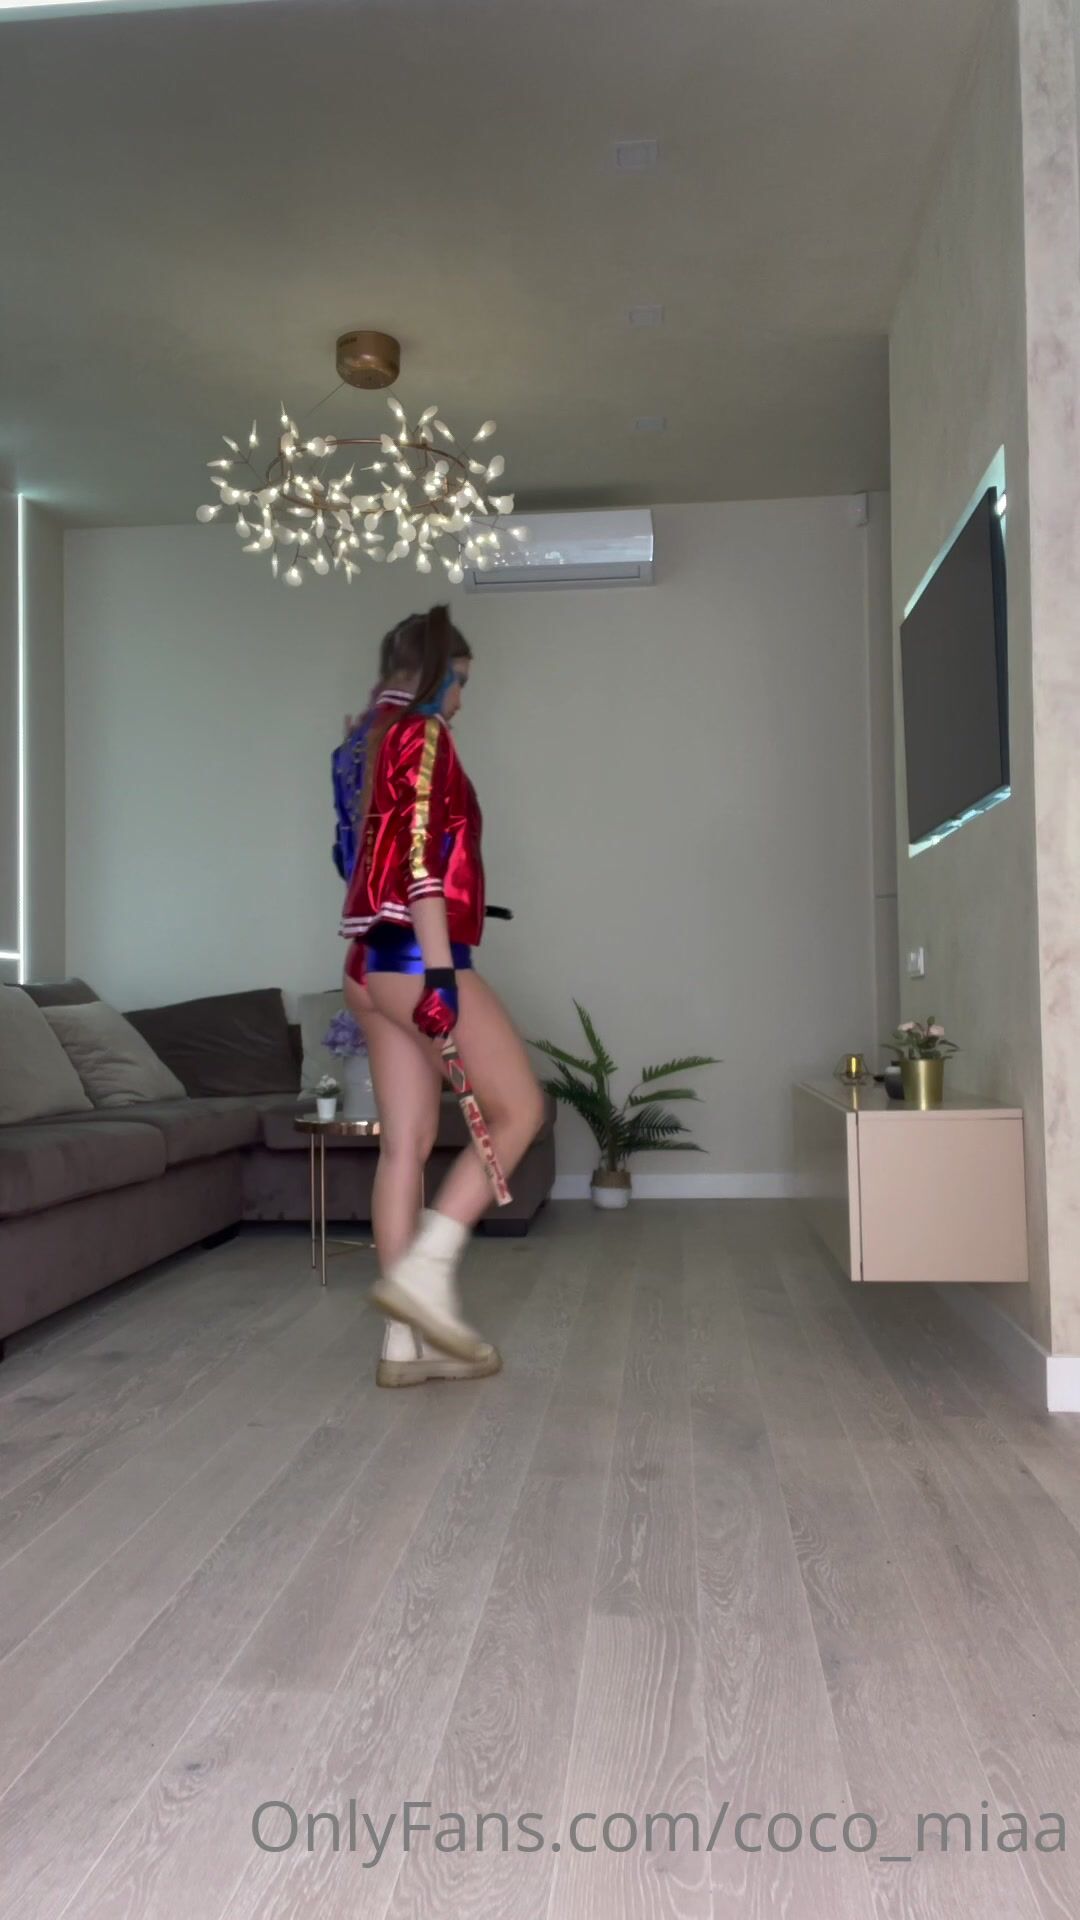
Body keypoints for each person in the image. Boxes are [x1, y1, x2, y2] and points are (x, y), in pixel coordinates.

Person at [339, 607, 544, 1387]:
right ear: (435, 675)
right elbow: (421, 862)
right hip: (412, 957)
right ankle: (425, 1277)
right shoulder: (422, 736)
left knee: (405, 1147)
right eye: (458, 682)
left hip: (365, 962)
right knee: (520, 1110)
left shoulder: (358, 742)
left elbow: (352, 859)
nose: (460, 700)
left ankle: (405, 1346)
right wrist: (439, 975)